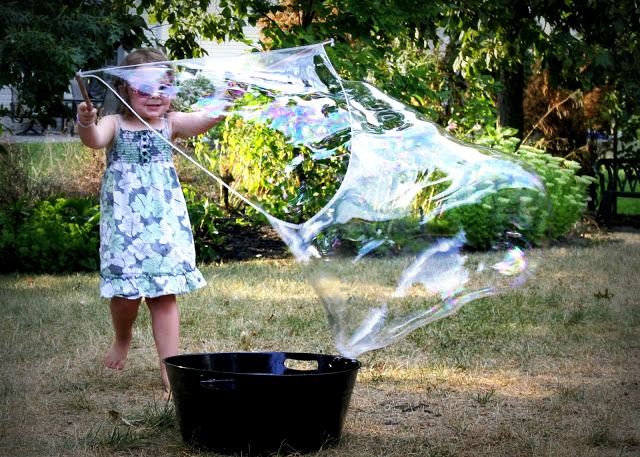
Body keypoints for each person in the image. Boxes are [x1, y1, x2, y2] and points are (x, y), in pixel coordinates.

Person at [76, 48, 224, 392]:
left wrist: (224, 99)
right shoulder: (115, 124)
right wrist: (86, 121)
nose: (156, 95)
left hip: (163, 226)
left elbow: (206, 118)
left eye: (165, 87)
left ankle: (168, 369)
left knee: (164, 295)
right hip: (125, 228)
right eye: (145, 88)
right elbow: (93, 140)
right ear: (126, 89)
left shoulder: (170, 124)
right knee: (126, 295)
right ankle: (123, 337)